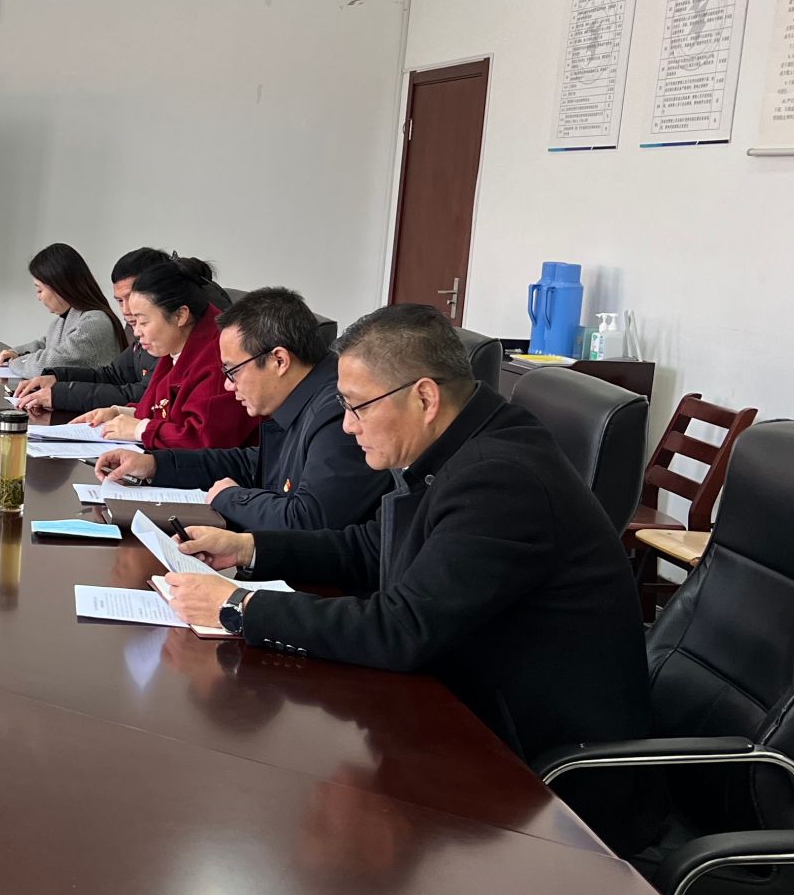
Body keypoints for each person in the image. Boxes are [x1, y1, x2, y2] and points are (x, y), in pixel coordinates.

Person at [160, 304, 653, 828]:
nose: (347, 426)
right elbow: (371, 548)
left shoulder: (501, 479)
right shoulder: (456, 447)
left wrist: (241, 607)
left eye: (357, 406)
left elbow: (402, 628)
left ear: (424, 398)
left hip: (542, 782)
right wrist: (248, 548)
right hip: (469, 713)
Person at [96, 286, 387, 530]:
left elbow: (308, 519)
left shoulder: (339, 412)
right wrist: (155, 465)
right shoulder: (301, 396)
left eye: (233, 371)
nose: (227, 385)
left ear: (279, 361)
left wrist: (231, 498)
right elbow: (253, 464)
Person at [83, 255, 255, 451]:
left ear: (180, 315)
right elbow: (160, 409)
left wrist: (140, 429)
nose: (136, 332)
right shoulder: (176, 344)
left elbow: (203, 439)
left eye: (143, 322)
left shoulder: (221, 354)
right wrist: (119, 414)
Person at [10, 246, 166, 414]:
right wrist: (57, 378)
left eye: (132, 298)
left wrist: (60, 394)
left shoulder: (96, 322)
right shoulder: (142, 341)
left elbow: (143, 395)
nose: (126, 310)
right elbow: (112, 375)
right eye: (120, 301)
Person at [0, 243, 126, 378]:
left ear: (60, 286)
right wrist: (16, 352)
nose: (38, 297)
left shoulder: (94, 323)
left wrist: (16, 361)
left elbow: (47, 365)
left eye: (39, 290)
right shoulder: (62, 321)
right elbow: (45, 345)